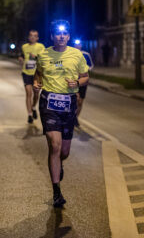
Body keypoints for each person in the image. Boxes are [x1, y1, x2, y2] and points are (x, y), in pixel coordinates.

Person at [34, 20, 89, 208]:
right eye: (58, 33)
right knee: (55, 145)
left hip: (69, 104)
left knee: (64, 152)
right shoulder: (43, 55)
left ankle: (59, 164)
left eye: (65, 33)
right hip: (48, 103)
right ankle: (56, 192)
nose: (62, 36)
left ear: (69, 36)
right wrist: (36, 83)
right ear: (52, 36)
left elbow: (85, 76)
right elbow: (38, 74)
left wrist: (77, 83)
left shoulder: (77, 55)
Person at [18, 30, 45, 124]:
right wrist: (20, 59)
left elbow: (43, 59)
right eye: (31, 35)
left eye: (35, 36)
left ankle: (33, 107)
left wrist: (35, 57)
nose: (33, 37)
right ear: (28, 37)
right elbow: (21, 56)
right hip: (26, 73)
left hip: (37, 74)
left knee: (36, 94)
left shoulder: (41, 47)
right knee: (28, 93)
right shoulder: (24, 47)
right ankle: (29, 115)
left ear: (37, 38)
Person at [73, 40, 94, 127]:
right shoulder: (71, 54)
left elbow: (91, 65)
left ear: (81, 45)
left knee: (80, 102)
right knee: (76, 99)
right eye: (76, 44)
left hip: (83, 82)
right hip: (74, 81)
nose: (78, 46)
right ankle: (72, 117)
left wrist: (86, 69)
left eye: (79, 44)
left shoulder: (86, 54)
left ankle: (75, 117)